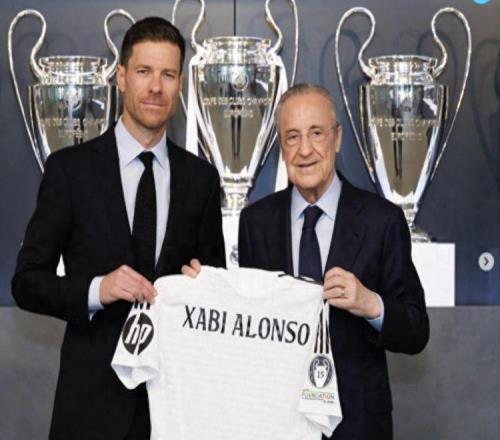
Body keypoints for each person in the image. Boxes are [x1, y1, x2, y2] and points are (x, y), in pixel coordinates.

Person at [12, 17, 225, 440]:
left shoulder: (200, 179)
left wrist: (206, 285)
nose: (156, 87)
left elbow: (213, 285)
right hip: (89, 410)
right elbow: (27, 282)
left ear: (180, 85)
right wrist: (97, 290)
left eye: (167, 75)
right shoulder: (70, 171)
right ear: (122, 77)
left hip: (173, 409)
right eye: (144, 71)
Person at [237, 84, 429, 440]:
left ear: (337, 138)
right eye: (292, 136)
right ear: (281, 149)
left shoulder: (382, 221)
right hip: (278, 422)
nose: (304, 150)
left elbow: (416, 330)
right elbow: (247, 326)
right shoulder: (255, 222)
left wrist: (370, 304)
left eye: (316, 133)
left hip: (358, 425)